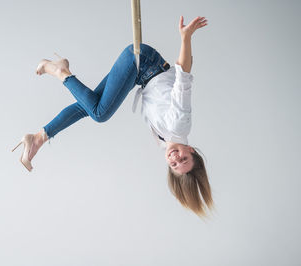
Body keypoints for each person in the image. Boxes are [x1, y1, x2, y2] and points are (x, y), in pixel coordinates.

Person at [12, 16, 213, 217]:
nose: (175, 158)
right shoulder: (179, 126)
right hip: (142, 62)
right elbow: (183, 77)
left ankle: (37, 138)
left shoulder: (165, 140)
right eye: (183, 158)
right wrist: (186, 38)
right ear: (191, 150)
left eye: (175, 165)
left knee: (89, 107)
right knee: (100, 114)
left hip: (139, 73)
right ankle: (59, 70)